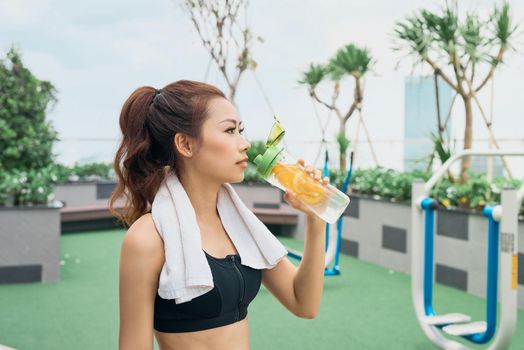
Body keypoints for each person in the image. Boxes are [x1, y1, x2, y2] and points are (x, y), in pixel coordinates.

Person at [110, 80, 329, 350]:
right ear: (185, 144)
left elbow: (303, 303)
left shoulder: (240, 226)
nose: (245, 143)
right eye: (229, 130)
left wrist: (316, 219)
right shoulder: (148, 238)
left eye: (241, 130)